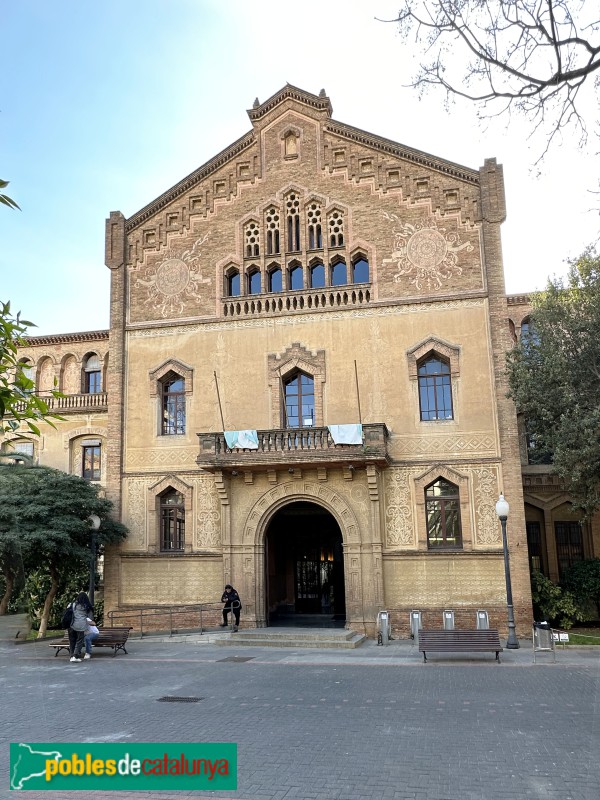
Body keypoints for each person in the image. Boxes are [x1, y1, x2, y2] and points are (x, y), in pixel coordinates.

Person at [68, 592, 94, 662]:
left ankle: (71, 656)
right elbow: (90, 618)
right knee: (79, 641)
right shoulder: (87, 606)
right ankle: (75, 656)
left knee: (72, 641)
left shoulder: (73, 604)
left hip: (71, 625)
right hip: (81, 625)